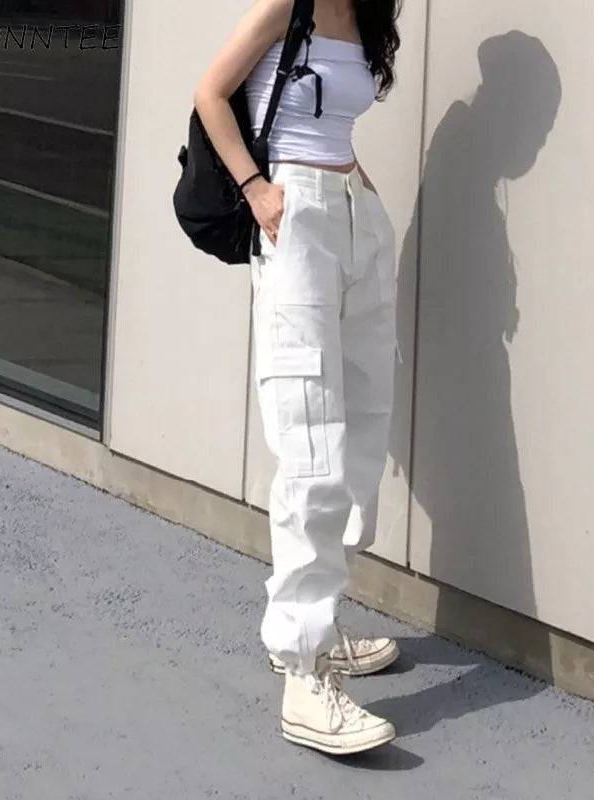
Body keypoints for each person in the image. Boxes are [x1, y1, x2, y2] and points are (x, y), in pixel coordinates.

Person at [194, 0, 402, 755]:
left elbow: (336, 125)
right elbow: (211, 92)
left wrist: (364, 198)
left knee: (363, 430)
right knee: (310, 438)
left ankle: (321, 618)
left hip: (354, 218)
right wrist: (258, 187)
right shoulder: (289, 4)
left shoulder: (366, 14)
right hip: (296, 218)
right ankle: (302, 668)